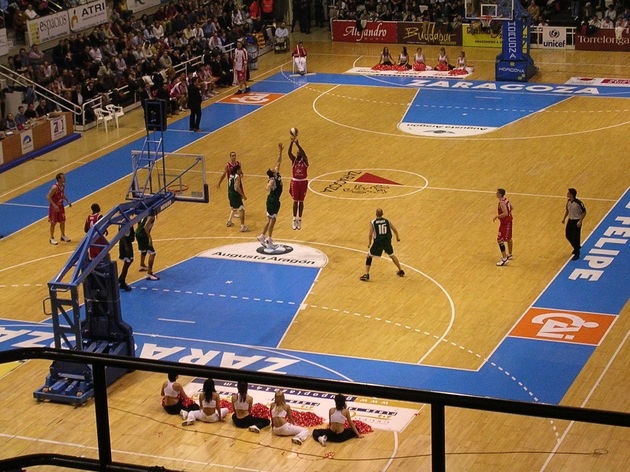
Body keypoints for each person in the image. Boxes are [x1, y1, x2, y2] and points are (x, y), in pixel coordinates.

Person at [360, 208, 404, 281]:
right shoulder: (387, 221)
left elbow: (370, 234)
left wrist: (369, 243)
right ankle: (400, 270)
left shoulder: (373, 222)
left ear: (376, 214)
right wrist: (397, 237)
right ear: (382, 214)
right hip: (387, 242)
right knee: (392, 255)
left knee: (369, 256)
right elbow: (394, 229)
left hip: (378, 242)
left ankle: (366, 274)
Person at [257, 143, 284, 248]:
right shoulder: (272, 179)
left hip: (272, 200)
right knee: (273, 220)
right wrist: (268, 185)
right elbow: (267, 187)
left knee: (270, 220)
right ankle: (269, 239)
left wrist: (280, 151)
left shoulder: (276, 173)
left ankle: (262, 236)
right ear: (272, 173)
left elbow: (278, 161)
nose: (274, 168)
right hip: (273, 200)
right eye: (272, 170)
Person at [288, 136, 309, 230]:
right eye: (296, 152)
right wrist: (292, 143)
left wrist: (298, 144)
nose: (297, 153)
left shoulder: (305, 161)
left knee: (301, 202)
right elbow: (289, 153)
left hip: (303, 182)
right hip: (295, 182)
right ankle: (294, 219)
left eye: (298, 152)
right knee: (295, 201)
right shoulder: (294, 160)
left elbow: (304, 154)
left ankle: (299, 219)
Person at [47, 173, 72, 245]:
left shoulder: (63, 186)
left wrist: (67, 200)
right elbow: (48, 197)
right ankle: (51, 238)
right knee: (53, 223)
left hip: (61, 206)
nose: (65, 179)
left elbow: (62, 194)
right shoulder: (54, 187)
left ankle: (63, 235)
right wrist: (54, 205)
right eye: (63, 178)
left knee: (62, 221)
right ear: (59, 179)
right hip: (54, 208)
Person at [562, 188, 587, 260]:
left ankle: (577, 253)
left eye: (568, 193)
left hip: (576, 221)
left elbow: (584, 212)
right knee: (568, 235)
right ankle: (576, 247)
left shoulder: (579, 203)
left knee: (576, 237)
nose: (567, 194)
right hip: (570, 220)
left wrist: (580, 221)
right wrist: (564, 218)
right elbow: (567, 211)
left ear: (572, 194)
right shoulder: (568, 202)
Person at [493, 189, 513, 266]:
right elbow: (511, 208)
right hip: (509, 221)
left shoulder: (501, 203)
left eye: (497, 192)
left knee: (500, 240)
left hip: (505, 223)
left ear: (500, 194)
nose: (496, 193)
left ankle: (504, 259)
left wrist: (497, 216)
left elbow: (505, 213)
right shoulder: (506, 200)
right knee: (508, 238)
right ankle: (510, 255)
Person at [136, 215, 160, 280]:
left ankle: (142, 265)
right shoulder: (151, 217)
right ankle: (149, 273)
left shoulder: (144, 214)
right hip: (143, 235)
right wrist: (149, 238)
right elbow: (146, 227)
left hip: (138, 234)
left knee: (144, 250)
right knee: (152, 253)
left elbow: (139, 222)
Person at [228, 165, 248, 232]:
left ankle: (229, 221)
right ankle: (242, 226)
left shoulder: (231, 175)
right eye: (240, 169)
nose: (241, 170)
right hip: (235, 195)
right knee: (241, 209)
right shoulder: (237, 177)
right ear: (237, 170)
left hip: (230, 194)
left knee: (234, 208)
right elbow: (236, 187)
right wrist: (243, 195)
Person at [118, 225, 135, 291]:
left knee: (130, 260)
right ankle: (122, 282)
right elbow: (122, 235)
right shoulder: (124, 222)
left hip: (126, 243)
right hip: (125, 243)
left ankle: (120, 278)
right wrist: (126, 246)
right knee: (128, 261)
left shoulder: (123, 221)